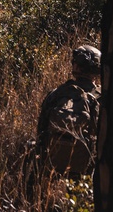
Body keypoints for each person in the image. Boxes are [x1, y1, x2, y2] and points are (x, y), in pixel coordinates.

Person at [35, 44, 101, 178]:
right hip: (86, 168)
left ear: (75, 66)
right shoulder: (100, 97)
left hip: (51, 165)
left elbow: (41, 131)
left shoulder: (57, 94)